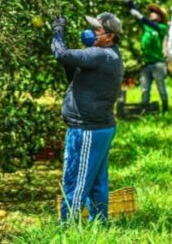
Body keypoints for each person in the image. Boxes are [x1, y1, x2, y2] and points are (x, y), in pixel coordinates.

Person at [51, 12, 123, 222]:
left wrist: (57, 32)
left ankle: (67, 227)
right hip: (100, 128)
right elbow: (74, 75)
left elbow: (61, 55)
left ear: (109, 36)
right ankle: (100, 222)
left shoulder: (101, 55)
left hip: (88, 130)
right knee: (97, 181)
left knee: (76, 180)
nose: (91, 33)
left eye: (96, 30)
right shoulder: (108, 56)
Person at [124, 0, 169, 112]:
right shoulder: (146, 26)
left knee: (161, 87)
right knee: (144, 88)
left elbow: (148, 22)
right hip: (146, 62)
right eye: (151, 12)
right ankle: (144, 109)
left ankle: (165, 108)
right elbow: (140, 18)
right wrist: (131, 4)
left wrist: (141, 17)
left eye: (154, 12)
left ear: (160, 17)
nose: (151, 14)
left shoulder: (162, 27)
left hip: (158, 63)